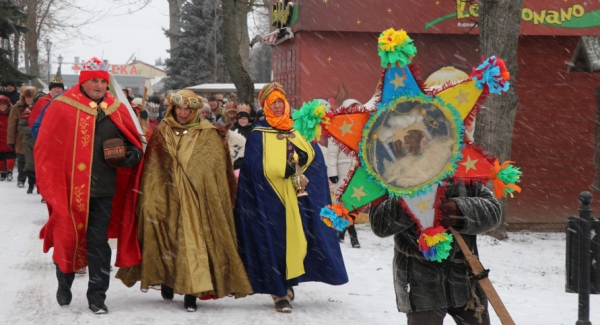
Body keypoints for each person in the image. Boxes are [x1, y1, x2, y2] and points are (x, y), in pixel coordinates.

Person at [116, 89, 252, 312]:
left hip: (198, 201)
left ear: (196, 110)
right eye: (179, 108)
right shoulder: (162, 131)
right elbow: (154, 168)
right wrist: (153, 195)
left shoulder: (209, 134)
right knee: (168, 240)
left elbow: (216, 170)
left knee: (194, 245)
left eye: (187, 109)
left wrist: (203, 188)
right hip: (166, 196)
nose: (182, 112)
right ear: (172, 108)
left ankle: (192, 292)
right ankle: (167, 280)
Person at [35, 61, 144, 314]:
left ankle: (97, 296)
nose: (99, 85)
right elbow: (45, 148)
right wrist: (49, 183)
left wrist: (131, 156)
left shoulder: (115, 109)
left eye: (103, 81)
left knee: (98, 243)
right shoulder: (61, 107)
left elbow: (133, 143)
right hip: (69, 190)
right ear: (82, 82)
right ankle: (65, 280)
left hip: (103, 190)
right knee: (68, 239)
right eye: (94, 81)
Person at [234, 82, 348, 313]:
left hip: (299, 200)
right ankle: (279, 292)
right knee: (273, 243)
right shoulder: (257, 135)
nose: (276, 106)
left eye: (279, 101)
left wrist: (304, 162)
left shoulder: (299, 130)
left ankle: (289, 280)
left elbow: (316, 162)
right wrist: (278, 170)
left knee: (298, 242)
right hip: (269, 201)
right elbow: (254, 168)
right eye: (271, 102)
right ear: (264, 105)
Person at [369, 181, 501, 325]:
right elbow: (379, 223)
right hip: (420, 280)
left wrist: (459, 210)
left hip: (466, 277)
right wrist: (412, 200)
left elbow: (493, 211)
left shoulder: (464, 169)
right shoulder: (393, 174)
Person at [326, 140, 361, 248]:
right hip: (342, 173)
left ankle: (341, 232)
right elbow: (332, 154)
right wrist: (332, 172)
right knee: (344, 206)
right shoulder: (335, 129)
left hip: (358, 171)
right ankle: (353, 237)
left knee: (355, 205)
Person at [7, 86, 36, 189]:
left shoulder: (37, 107)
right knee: (21, 161)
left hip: (34, 140)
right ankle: (21, 179)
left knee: (33, 162)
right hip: (20, 139)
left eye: (31, 97)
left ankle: (33, 182)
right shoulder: (16, 108)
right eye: (27, 97)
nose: (29, 99)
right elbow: (11, 126)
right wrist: (10, 141)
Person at [18, 91, 45, 194]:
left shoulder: (49, 111)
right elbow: (21, 126)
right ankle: (31, 184)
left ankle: (40, 187)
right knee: (30, 165)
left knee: (41, 166)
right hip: (29, 142)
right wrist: (34, 130)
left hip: (43, 143)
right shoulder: (29, 111)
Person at [0, 95, 15, 182]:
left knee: (10, 157)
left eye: (4, 104)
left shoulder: (11, 114)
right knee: (1, 158)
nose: (3, 106)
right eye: (1, 105)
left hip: (8, 138)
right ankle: (2, 172)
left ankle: (9, 172)